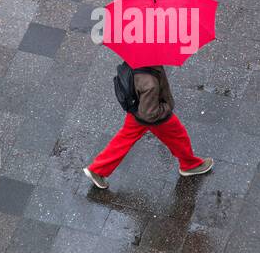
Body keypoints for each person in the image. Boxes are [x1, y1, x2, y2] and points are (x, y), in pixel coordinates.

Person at [84, 64, 213, 189]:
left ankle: (97, 169)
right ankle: (189, 165)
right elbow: (149, 114)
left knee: (124, 139)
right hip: (153, 114)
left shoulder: (135, 60)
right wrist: (166, 108)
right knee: (178, 136)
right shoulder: (150, 82)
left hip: (136, 109)